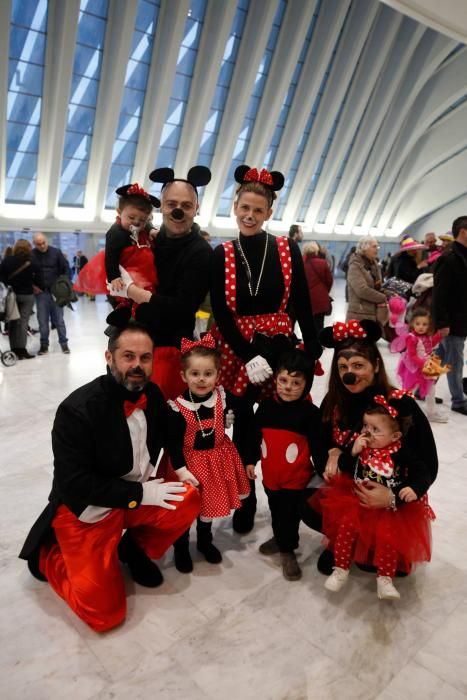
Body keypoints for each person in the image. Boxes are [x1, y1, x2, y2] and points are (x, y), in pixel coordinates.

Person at [19, 321, 200, 633]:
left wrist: (185, 457)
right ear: (109, 357)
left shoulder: (151, 393)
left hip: (133, 499)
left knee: (189, 499)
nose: (137, 366)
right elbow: (75, 484)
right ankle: (49, 556)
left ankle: (134, 550)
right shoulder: (77, 411)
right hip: (90, 513)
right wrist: (142, 494)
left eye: (145, 358)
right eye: (128, 356)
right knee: (105, 617)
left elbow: (173, 426)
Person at [210, 165, 322, 534]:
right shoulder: (222, 253)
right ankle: (246, 498)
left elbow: (303, 304)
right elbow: (223, 313)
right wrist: (247, 355)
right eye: (244, 207)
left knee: (281, 419)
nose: (249, 215)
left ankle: (287, 491)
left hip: (278, 343)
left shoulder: (287, 249)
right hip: (237, 351)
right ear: (235, 206)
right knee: (242, 424)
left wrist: (312, 349)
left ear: (269, 213)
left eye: (258, 210)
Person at [300, 319, 438, 576]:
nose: (349, 374)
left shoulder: (401, 406)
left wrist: (393, 497)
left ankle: (370, 544)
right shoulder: (334, 402)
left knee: (380, 566)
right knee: (306, 503)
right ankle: (340, 540)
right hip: (349, 489)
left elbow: (428, 464)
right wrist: (334, 454)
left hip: (390, 494)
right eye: (342, 367)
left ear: (375, 365)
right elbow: (319, 447)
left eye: (358, 365)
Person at [317, 393, 434, 600]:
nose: (367, 434)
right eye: (365, 427)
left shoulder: (401, 453)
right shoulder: (362, 447)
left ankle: (385, 579)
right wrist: (352, 452)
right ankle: (341, 569)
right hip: (356, 502)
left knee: (387, 541)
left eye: (375, 430)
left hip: (388, 508)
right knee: (345, 530)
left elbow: (423, 472)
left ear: (395, 437)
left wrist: (413, 489)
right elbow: (343, 466)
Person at [114, 166, 213, 401]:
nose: (178, 211)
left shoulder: (201, 252)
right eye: (171, 204)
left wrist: (136, 293)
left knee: (163, 417)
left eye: (186, 205)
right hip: (135, 342)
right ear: (161, 206)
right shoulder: (149, 240)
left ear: (196, 209)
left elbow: (182, 308)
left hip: (169, 349)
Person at [167, 334, 250, 573]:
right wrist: (181, 471)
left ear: (218, 375)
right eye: (195, 374)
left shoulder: (222, 397)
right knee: (185, 509)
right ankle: (181, 548)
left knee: (210, 505)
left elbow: (244, 408)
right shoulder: (177, 408)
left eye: (208, 374)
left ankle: (205, 541)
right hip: (189, 464)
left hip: (218, 460)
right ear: (184, 376)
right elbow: (173, 444)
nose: (201, 380)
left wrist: (226, 417)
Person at [245, 350, 327, 581]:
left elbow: (319, 446)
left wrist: (324, 472)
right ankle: (281, 537)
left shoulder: (310, 414)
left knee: (290, 513)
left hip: (296, 478)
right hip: (271, 476)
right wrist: (251, 460)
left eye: (296, 382)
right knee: (275, 508)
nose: (287, 387)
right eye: (283, 380)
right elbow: (254, 436)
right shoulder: (265, 408)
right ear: (275, 380)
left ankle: (287, 549)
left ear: (307, 384)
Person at [74, 184, 160, 300]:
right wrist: (114, 277)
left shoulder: (143, 226)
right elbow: (110, 258)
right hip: (124, 270)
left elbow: (147, 224)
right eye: (131, 217)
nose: (136, 222)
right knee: (122, 293)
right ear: (119, 212)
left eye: (142, 220)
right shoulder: (115, 233)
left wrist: (151, 229)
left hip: (141, 269)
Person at [432, 215, 467, 416]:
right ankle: (458, 401)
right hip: (452, 321)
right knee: (455, 360)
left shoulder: (461, 255)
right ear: (463, 231)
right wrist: (443, 323)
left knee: (441, 356)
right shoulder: (449, 257)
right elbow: (440, 294)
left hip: (459, 318)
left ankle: (422, 389)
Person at [396, 307, 446, 422]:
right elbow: (413, 356)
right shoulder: (411, 338)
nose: (421, 327)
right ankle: (404, 412)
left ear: (429, 325)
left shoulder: (426, 336)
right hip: (414, 369)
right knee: (409, 391)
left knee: (431, 390)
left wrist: (439, 336)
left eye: (424, 324)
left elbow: (430, 344)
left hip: (426, 367)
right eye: (418, 324)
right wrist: (424, 364)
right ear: (412, 323)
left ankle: (432, 413)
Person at [0, 239, 42, 359]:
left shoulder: (7, 260)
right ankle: (22, 350)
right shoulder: (33, 261)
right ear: (29, 248)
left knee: (13, 322)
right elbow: (39, 278)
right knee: (23, 323)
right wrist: (36, 286)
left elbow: (2, 278)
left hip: (12, 296)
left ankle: (14, 350)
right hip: (28, 295)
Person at [32, 233, 70, 355]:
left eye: (44, 242)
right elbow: (27, 273)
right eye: (39, 244)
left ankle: (64, 344)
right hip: (41, 293)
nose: (42, 246)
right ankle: (44, 346)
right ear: (34, 244)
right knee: (42, 321)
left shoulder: (56, 252)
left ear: (46, 241)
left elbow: (66, 268)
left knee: (59, 320)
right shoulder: (31, 255)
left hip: (56, 292)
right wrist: (32, 286)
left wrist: (63, 284)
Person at [346, 237, 389, 326]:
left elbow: (377, 287)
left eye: (378, 247)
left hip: (374, 313)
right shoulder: (355, 266)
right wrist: (384, 297)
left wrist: (389, 293)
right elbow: (361, 290)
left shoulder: (374, 265)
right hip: (359, 314)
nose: (377, 249)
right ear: (364, 248)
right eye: (374, 246)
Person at [302, 241, 333, 332]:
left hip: (305, 298)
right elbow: (329, 281)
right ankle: (319, 344)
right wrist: (324, 291)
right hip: (320, 299)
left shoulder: (300, 263)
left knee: (306, 323)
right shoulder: (322, 263)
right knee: (319, 323)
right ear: (316, 251)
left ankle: (308, 343)